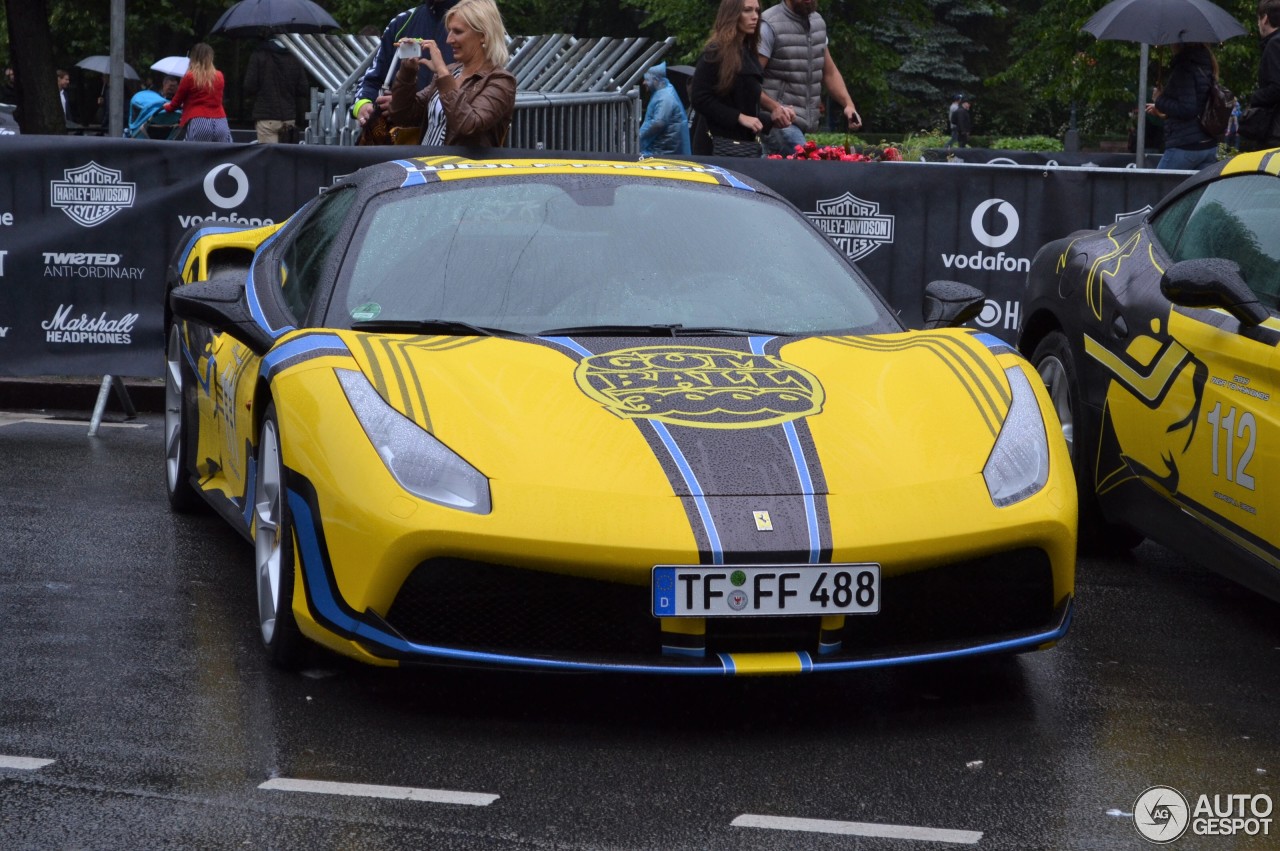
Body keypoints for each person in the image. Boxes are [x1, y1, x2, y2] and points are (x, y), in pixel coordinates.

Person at [386, 0, 515, 147]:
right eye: (449, 31)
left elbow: (468, 125)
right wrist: (408, 72)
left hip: (461, 169)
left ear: (483, 35)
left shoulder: (501, 80)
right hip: (426, 165)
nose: (449, 40)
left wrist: (442, 71)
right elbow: (402, 115)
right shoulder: (452, 71)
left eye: (458, 32)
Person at [756, 0, 860, 156]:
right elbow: (749, 81)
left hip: (801, 122)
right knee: (810, 162)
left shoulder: (817, 23)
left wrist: (848, 105)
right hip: (777, 123)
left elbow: (829, 72)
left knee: (785, 175)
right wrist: (775, 108)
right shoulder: (769, 25)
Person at [352, 0, 460, 139]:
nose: (451, 39)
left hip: (452, 146)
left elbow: (478, 100)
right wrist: (363, 105)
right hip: (399, 143)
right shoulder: (402, 21)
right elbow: (371, 80)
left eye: (457, 32)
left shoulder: (477, 22)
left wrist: (402, 104)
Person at [690, 0, 768, 156]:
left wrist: (771, 118)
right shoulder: (716, 52)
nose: (755, 17)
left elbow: (742, 104)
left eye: (757, 11)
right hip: (716, 148)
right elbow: (699, 97)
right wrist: (738, 117)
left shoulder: (747, 51)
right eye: (747, 10)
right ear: (732, 15)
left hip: (743, 147)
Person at [1146, 43, 1218, 170]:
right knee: (1199, 190)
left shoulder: (1184, 68)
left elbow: (1187, 109)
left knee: (1158, 187)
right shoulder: (1206, 65)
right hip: (1208, 145)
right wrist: (1162, 109)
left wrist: (1159, 99)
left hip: (1186, 146)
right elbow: (1196, 104)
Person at [244, 37, 310, 143]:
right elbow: (303, 88)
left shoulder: (259, 55)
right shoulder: (295, 56)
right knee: (287, 158)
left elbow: (249, 86)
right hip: (289, 118)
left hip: (266, 116)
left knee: (269, 157)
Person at [164, 43, 231, 142]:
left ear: (193, 57)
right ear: (210, 57)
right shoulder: (219, 76)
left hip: (199, 121)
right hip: (221, 122)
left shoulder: (189, 77)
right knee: (224, 155)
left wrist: (166, 106)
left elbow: (175, 103)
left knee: (195, 155)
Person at [1241, 0, 1280, 151]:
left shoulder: (1274, 44)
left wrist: (1254, 98)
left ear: (1265, 19)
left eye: (1258, 19)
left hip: (1274, 129)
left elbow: (1277, 87)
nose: (1258, 25)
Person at [638, 62, 691, 156]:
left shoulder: (665, 97)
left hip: (664, 151)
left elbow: (658, 123)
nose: (644, 82)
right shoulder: (663, 93)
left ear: (655, 80)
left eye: (646, 79)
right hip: (664, 149)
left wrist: (639, 136)